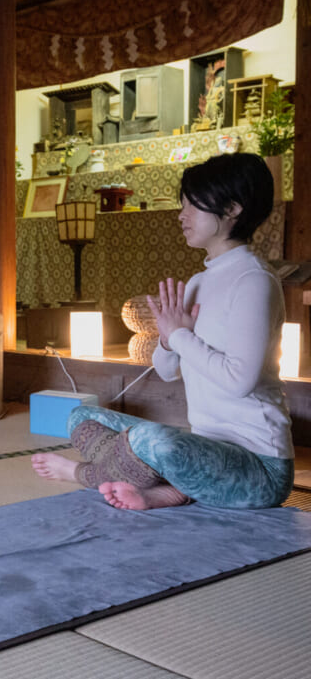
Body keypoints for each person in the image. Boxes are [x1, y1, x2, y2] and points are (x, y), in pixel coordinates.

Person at [32, 153, 293, 511]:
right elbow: (167, 371)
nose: (182, 215)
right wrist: (169, 338)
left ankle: (86, 475)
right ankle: (172, 490)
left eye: (193, 206)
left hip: (259, 469)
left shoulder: (254, 281)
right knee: (82, 416)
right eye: (182, 204)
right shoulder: (201, 281)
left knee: (152, 440)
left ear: (232, 209)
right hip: (206, 450)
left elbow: (239, 381)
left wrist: (183, 336)